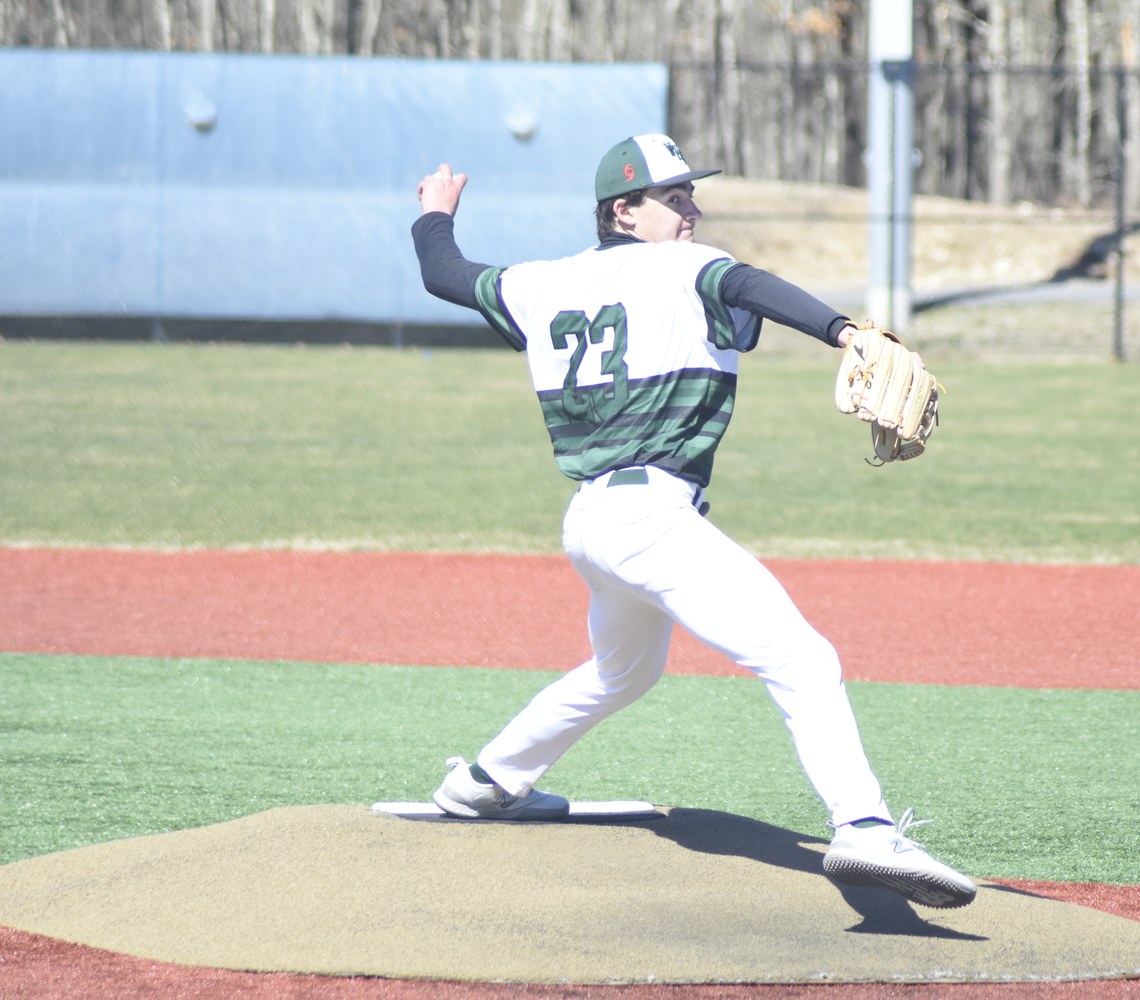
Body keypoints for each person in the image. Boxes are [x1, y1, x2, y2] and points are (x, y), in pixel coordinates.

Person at [411, 134, 975, 909]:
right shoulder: (686, 266)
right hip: (649, 517)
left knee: (624, 671)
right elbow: (754, 286)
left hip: (593, 522)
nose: (692, 210)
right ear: (624, 211)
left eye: (689, 195)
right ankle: (866, 827)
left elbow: (444, 275)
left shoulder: (542, 282)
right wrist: (846, 331)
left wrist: (435, 216)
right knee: (803, 659)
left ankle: (485, 783)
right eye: (674, 198)